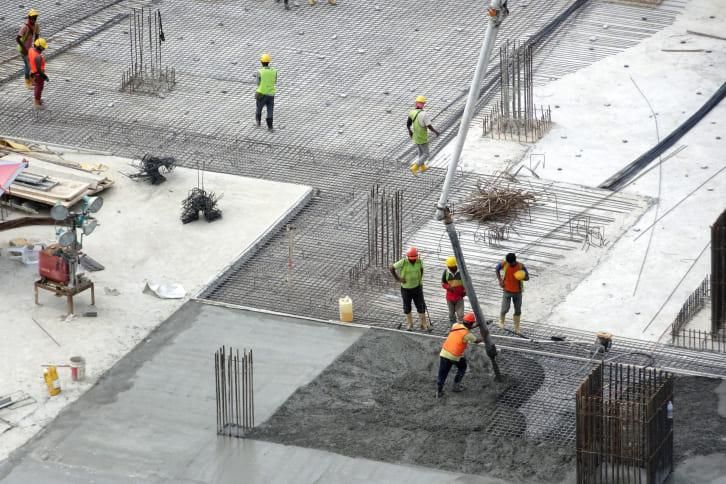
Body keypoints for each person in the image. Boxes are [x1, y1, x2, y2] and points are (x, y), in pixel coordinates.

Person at [437, 312, 481, 398]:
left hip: (444, 352)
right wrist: (485, 336)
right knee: (462, 367)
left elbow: (465, 327)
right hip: (454, 355)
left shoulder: (455, 325)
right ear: (471, 323)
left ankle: (439, 391)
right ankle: (456, 386)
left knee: (442, 373)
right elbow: (476, 341)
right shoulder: (467, 334)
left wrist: (476, 325)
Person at [390, 247, 430, 332]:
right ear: (408, 257)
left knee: (421, 306)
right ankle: (409, 324)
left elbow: (421, 269)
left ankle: (423, 324)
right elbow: (391, 268)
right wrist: (398, 279)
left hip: (417, 287)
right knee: (407, 306)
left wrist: (420, 280)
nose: (413, 260)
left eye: (414, 259)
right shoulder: (403, 262)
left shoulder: (419, 261)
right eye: (412, 259)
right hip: (406, 289)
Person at [495, 252, 529, 333]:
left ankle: (517, 328)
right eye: (508, 262)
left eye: (511, 263)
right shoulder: (505, 264)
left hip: (518, 292)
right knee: (505, 309)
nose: (509, 264)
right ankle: (501, 322)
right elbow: (496, 269)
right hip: (507, 291)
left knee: (518, 311)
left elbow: (527, 277)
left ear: (515, 261)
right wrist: (500, 280)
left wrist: (522, 277)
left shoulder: (521, 266)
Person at [407, 95, 439, 175]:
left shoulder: (412, 112)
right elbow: (429, 126)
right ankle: (415, 167)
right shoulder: (424, 114)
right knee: (426, 154)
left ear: (416, 103)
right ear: (423, 104)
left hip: (415, 136)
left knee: (421, 152)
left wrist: (410, 131)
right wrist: (436, 132)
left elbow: (408, 124)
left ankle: (423, 167)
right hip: (422, 137)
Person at [16, 9, 41, 90]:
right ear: (29, 18)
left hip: (30, 49)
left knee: (33, 64)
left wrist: (36, 47)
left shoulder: (36, 25)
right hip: (23, 49)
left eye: (35, 18)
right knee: (28, 65)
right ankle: (27, 82)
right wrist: (24, 49)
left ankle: (31, 79)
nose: (34, 19)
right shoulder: (25, 27)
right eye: (32, 18)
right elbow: (17, 38)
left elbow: (37, 36)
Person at [254, 53, 278, 131]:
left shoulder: (259, 72)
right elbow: (275, 81)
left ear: (261, 62)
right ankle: (270, 127)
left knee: (259, 108)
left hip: (261, 93)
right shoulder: (274, 71)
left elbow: (258, 83)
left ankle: (258, 123)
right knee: (270, 110)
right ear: (269, 62)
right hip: (271, 94)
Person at [441, 256, 466, 325]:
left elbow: (467, 283)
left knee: (460, 314)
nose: (450, 269)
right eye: (449, 267)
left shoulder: (461, 272)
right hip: (450, 297)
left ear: (455, 266)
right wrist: (448, 287)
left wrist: (465, 291)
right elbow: (443, 283)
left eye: (451, 267)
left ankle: (460, 327)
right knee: (451, 314)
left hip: (459, 297)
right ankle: (453, 327)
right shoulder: (446, 272)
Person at [28, 38, 48, 108]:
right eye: (43, 48)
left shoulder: (31, 50)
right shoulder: (38, 57)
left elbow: (29, 60)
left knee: (37, 86)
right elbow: (39, 69)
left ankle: (37, 99)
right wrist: (44, 76)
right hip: (38, 74)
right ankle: (37, 102)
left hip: (33, 72)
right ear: (40, 47)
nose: (44, 49)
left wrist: (31, 73)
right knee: (39, 88)